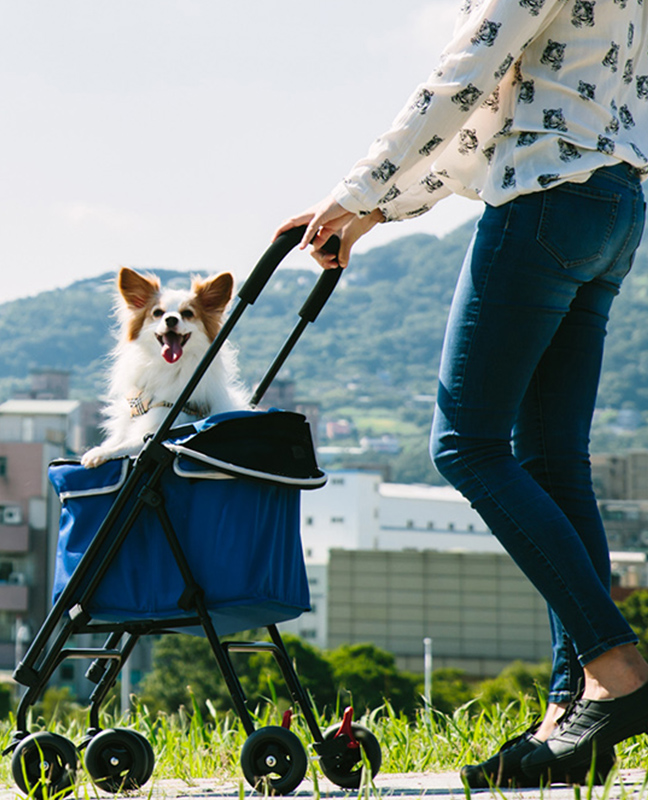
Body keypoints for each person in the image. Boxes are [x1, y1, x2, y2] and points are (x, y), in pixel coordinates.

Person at [276, 0, 648, 788]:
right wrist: (375, 206)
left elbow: (465, 78)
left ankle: (613, 665)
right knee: (553, 461)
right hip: (614, 204)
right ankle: (569, 716)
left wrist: (358, 190)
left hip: (544, 202)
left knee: (467, 446)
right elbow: (500, 100)